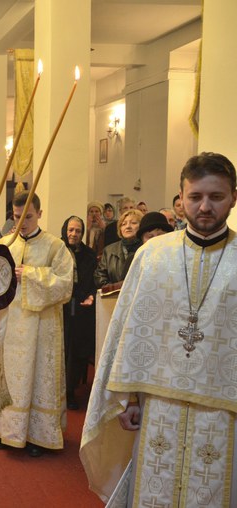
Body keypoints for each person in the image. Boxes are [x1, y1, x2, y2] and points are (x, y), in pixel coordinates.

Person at [81, 152, 237, 506]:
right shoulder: (152, 255)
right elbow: (130, 329)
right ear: (181, 198)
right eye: (195, 197)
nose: (205, 207)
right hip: (158, 405)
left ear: (233, 197)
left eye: (216, 196)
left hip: (223, 409)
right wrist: (130, 397)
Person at [0, 191, 73, 458]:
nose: (21, 223)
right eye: (17, 217)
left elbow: (65, 285)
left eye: (28, 217)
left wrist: (30, 274)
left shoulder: (55, 246)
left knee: (38, 376)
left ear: (40, 214)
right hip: (9, 324)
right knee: (8, 376)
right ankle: (3, 429)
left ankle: (37, 435)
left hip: (41, 327)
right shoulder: (5, 243)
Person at [60, 216, 97, 410]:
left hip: (80, 308)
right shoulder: (57, 250)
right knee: (61, 349)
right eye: (71, 230)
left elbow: (94, 281)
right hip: (60, 307)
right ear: (65, 230)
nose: (74, 234)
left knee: (76, 351)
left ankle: (70, 391)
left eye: (78, 231)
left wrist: (91, 296)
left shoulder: (89, 255)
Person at [93, 208, 143, 290]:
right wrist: (113, 288)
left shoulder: (145, 248)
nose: (128, 226)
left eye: (133, 223)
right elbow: (100, 276)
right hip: (114, 295)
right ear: (120, 229)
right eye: (123, 224)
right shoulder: (109, 250)